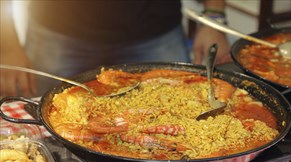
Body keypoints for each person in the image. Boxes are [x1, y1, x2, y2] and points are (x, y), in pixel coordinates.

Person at [0, 0, 230, 97]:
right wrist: (7, 47)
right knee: (46, 121)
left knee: (183, 113)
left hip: (156, 29)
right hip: (58, 32)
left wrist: (214, 16)